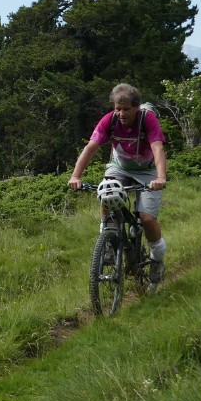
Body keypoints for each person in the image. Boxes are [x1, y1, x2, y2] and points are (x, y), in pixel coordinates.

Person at [68, 83, 170, 285]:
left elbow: (157, 148)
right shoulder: (110, 121)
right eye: (117, 108)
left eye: (126, 109)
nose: (121, 113)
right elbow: (91, 147)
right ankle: (108, 246)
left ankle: (157, 260)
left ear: (137, 107)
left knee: (147, 219)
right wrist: (75, 176)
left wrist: (160, 177)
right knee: (107, 196)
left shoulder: (147, 119)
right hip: (119, 167)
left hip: (147, 170)